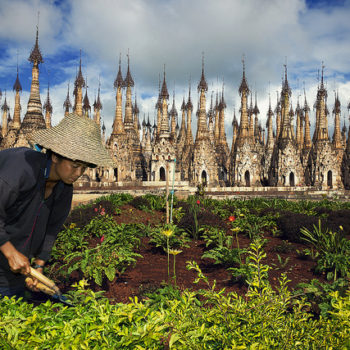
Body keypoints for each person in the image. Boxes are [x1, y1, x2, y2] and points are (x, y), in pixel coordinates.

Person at [0, 113, 114, 298]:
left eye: (84, 168)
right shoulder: (20, 169)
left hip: (14, 271)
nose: (78, 173)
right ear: (54, 156)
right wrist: (10, 251)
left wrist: (39, 265)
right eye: (75, 165)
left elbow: (52, 229)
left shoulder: (64, 188)